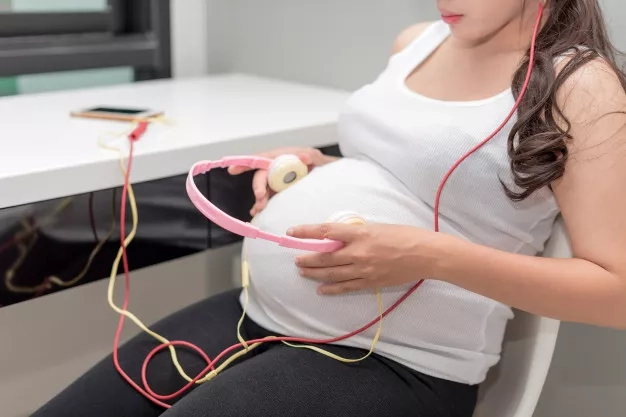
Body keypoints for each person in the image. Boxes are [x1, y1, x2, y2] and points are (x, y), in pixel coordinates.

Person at [32, 1, 626, 416]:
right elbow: (406, 170)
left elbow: (616, 294)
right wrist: (319, 172)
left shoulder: (580, 84)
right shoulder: (416, 42)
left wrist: (431, 256)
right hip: (258, 315)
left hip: (397, 363)